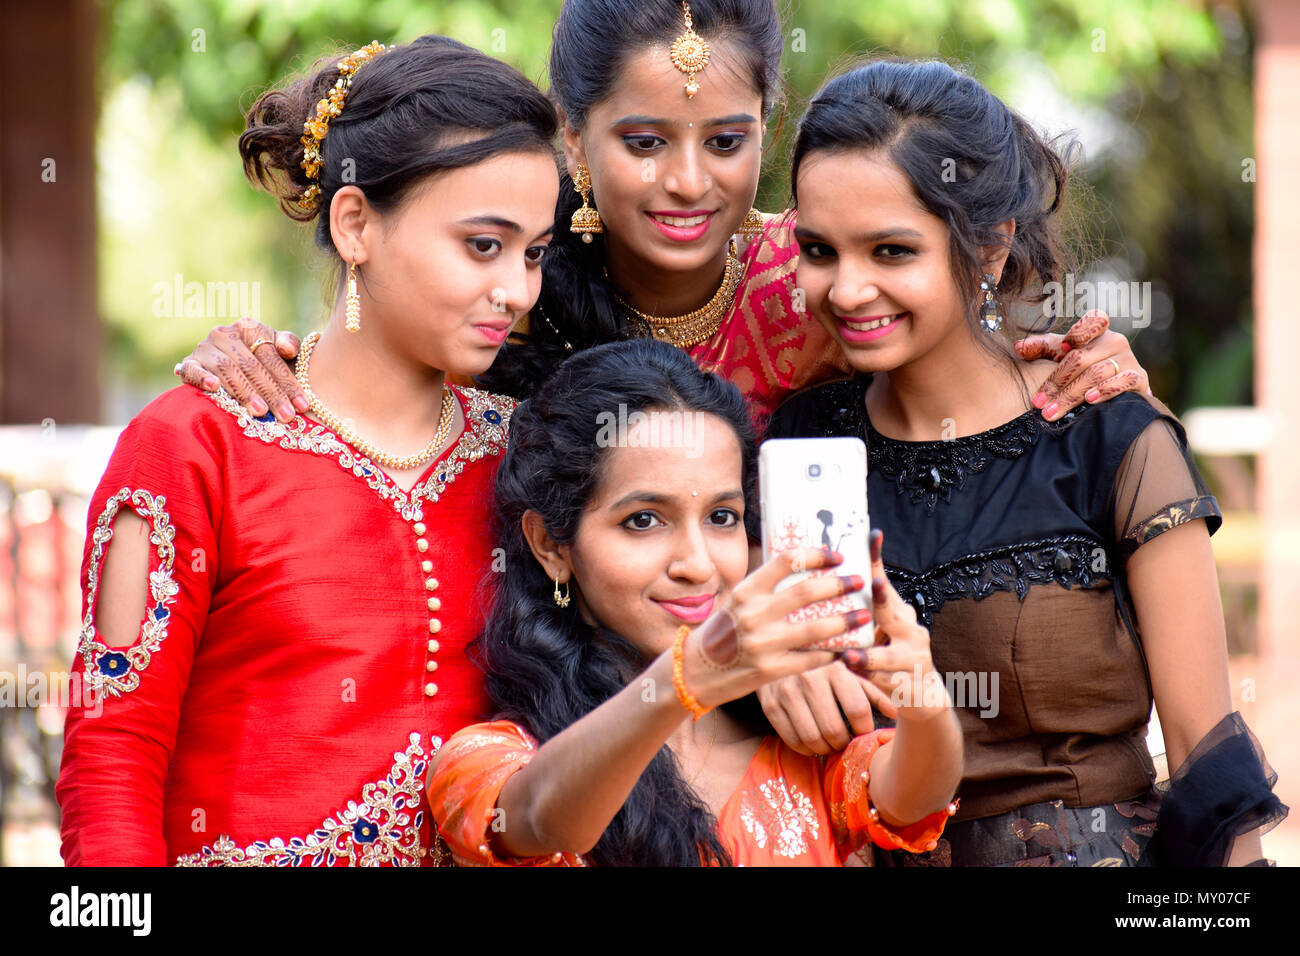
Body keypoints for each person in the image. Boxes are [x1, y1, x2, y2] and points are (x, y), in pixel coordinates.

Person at [170, 0, 1157, 761]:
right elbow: (371, 358)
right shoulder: (509, 298)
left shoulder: (817, 286)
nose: (688, 182)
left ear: (766, 129)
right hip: (551, 727)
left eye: (725, 140)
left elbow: (959, 368)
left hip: (807, 724)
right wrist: (261, 352)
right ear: (571, 136)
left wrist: (1081, 367)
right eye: (644, 142)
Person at [768, 58, 1287, 866]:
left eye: (892, 251)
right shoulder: (798, 448)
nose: (847, 288)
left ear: (990, 248)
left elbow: (1201, 746)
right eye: (819, 249)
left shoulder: (1105, 435)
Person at [55, 35, 561, 866]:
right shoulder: (195, 445)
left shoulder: (525, 458)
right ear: (355, 222)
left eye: (533, 253)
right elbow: (112, 759)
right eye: (482, 245)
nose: (515, 289)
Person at [427, 338, 964, 866]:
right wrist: (684, 681)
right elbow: (544, 822)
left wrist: (922, 695)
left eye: (722, 517)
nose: (698, 564)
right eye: (643, 520)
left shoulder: (801, 745)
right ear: (551, 545)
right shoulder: (489, 761)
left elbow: (913, 797)